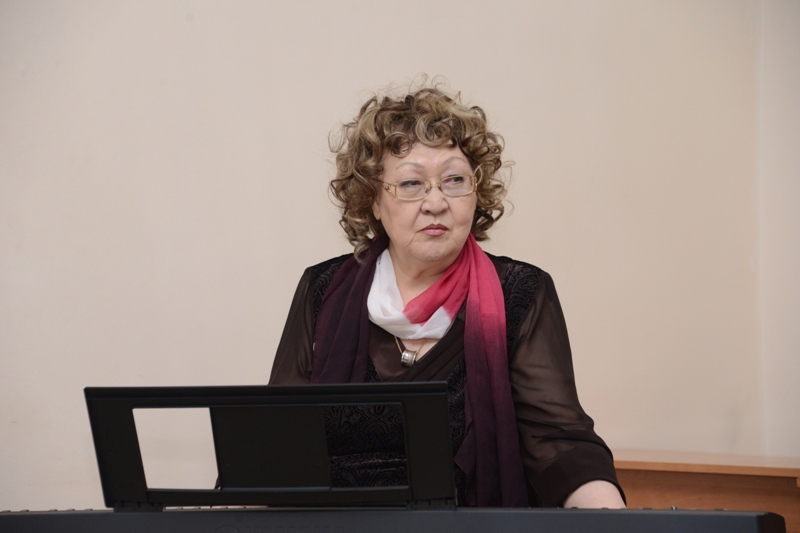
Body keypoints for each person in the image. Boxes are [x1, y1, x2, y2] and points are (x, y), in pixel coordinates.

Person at [269, 85, 625, 509]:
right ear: (374, 201)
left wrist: (612, 519)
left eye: (454, 180)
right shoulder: (323, 289)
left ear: (477, 193)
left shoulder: (520, 292)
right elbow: (276, 443)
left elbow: (560, 446)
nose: (436, 202)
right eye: (411, 183)